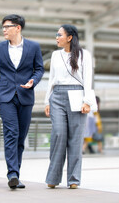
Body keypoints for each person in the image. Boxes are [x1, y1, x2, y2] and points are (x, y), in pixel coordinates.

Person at [0, 14, 44, 189]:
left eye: (7, 27)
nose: (4, 30)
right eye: (3, 27)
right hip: (6, 97)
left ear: (18, 28)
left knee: (20, 137)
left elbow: (39, 69)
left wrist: (33, 81)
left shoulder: (33, 47)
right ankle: (12, 173)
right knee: (11, 133)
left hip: (26, 97)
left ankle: (16, 174)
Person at [44, 24, 94, 189]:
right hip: (56, 96)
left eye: (59, 34)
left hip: (77, 96)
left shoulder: (84, 55)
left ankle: (73, 179)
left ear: (69, 37)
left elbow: (87, 79)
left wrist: (87, 101)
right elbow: (51, 79)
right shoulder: (55, 55)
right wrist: (46, 101)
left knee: (75, 139)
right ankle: (53, 177)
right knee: (58, 135)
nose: (56, 37)